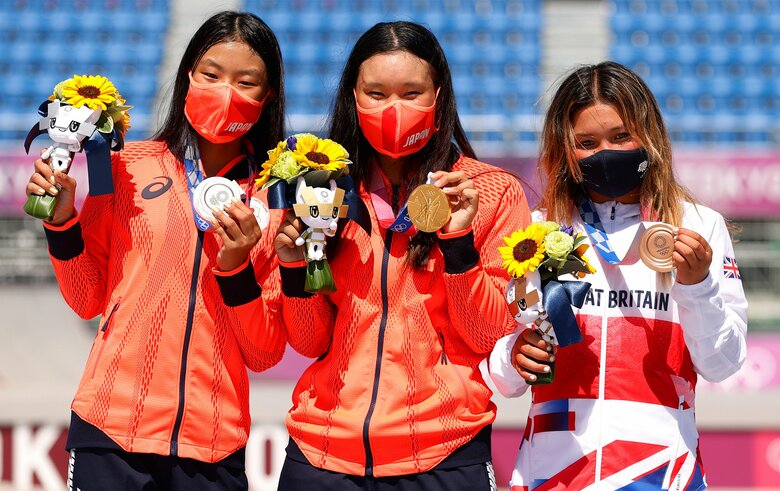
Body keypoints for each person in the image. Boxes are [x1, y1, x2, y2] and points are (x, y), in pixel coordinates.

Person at [24, 11, 287, 491]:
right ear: (188, 75)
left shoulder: (276, 196)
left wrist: (237, 270)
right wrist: (62, 222)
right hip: (110, 429)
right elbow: (87, 299)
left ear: (267, 97)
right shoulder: (122, 166)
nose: (226, 92)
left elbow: (265, 352)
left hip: (212, 441)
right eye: (211, 75)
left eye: (246, 81)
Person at [272, 21, 531, 490]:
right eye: (376, 93)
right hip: (321, 452)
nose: (394, 110)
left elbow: (487, 333)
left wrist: (458, 244)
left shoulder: (491, 192)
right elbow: (310, 342)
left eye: (412, 93)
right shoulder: (321, 189)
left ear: (440, 96)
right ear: (353, 96)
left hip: (443, 452)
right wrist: (295, 265)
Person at [486, 61, 748, 490]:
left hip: (662, 470)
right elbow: (498, 375)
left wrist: (696, 285)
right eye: (586, 142)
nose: (605, 152)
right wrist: (515, 356)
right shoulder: (534, 234)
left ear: (650, 135)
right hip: (551, 472)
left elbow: (722, 364)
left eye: (621, 136)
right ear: (564, 152)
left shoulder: (699, 226)